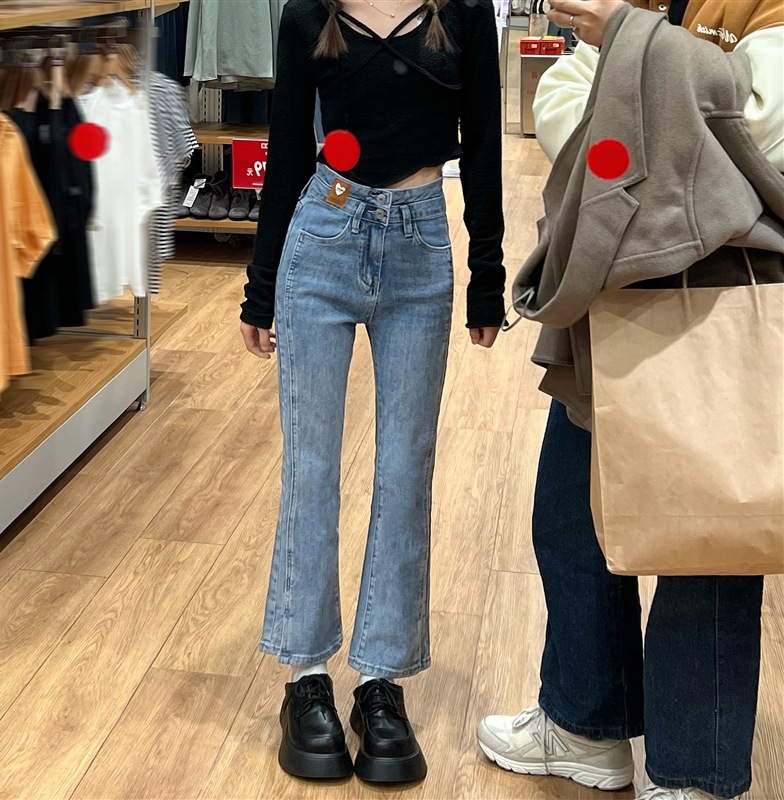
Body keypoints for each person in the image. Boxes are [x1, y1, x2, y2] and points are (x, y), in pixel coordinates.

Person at [476, 1, 783, 799]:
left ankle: (693, 771)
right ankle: (585, 723)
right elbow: (559, 105)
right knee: (570, 511)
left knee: (710, 535)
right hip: (612, 282)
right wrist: (670, 90)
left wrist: (626, 50)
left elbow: (768, 125)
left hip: (724, 289)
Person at [239, 0, 505, 784]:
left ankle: (382, 682)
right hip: (322, 236)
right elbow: (290, 146)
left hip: (421, 247)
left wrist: (487, 274)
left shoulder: (462, 12)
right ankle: (305, 678)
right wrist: (260, 288)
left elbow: (484, 142)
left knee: (404, 471)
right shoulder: (308, 14)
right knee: (311, 466)